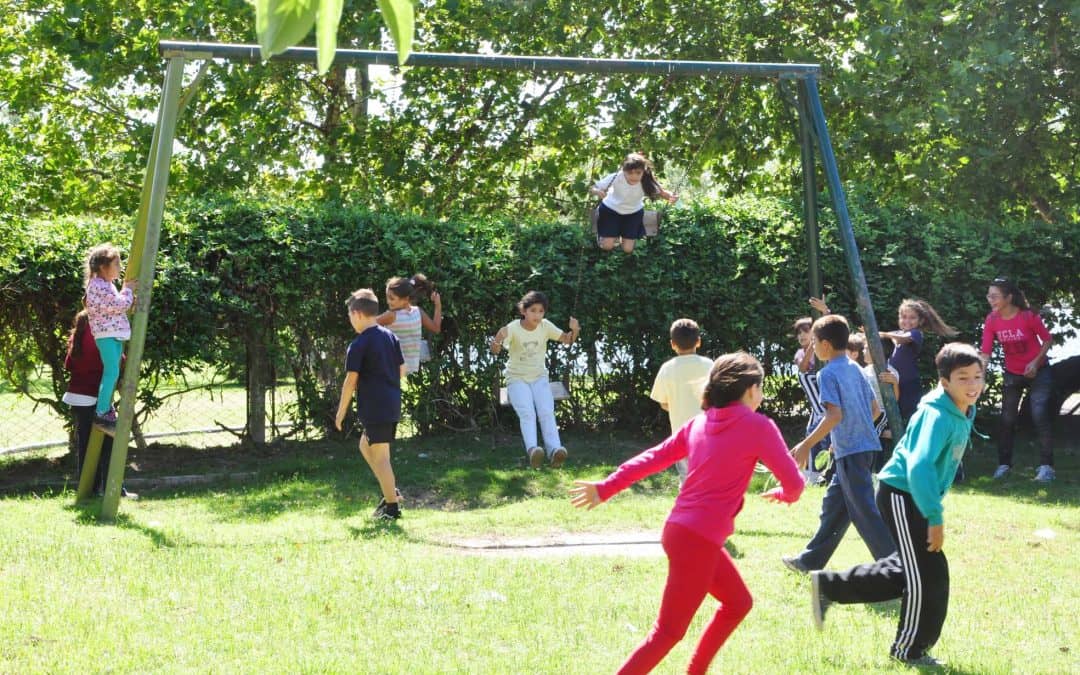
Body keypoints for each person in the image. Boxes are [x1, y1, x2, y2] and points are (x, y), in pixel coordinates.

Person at [570, 352, 805, 675]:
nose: (762, 396)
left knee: (738, 603)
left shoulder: (699, 422)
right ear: (750, 389)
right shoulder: (759, 426)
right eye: (761, 389)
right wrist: (785, 495)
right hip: (698, 540)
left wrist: (606, 487)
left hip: (681, 532)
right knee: (667, 632)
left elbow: (653, 457)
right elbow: (794, 483)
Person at [809, 343, 985, 668]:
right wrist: (934, 516)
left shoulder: (960, 407)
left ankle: (829, 586)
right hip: (903, 496)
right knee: (929, 576)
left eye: (978, 376)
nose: (973, 385)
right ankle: (908, 651)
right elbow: (918, 466)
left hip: (912, 496)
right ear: (945, 382)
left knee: (907, 570)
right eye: (963, 378)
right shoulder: (936, 414)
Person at [783, 314, 895, 573]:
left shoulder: (827, 373)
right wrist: (841, 437)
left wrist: (806, 445)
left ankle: (896, 566)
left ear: (824, 345)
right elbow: (875, 409)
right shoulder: (854, 367)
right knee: (835, 507)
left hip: (853, 452)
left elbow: (834, 415)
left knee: (865, 513)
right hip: (863, 448)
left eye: (814, 342)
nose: (812, 347)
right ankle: (809, 561)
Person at [334, 289, 406, 520]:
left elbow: (350, 381)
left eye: (349, 315)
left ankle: (392, 509)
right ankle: (390, 491)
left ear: (357, 314)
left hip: (376, 407)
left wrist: (340, 411)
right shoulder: (389, 336)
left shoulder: (359, 343)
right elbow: (401, 370)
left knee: (381, 457)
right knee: (365, 446)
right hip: (391, 404)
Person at [491, 291, 580, 469]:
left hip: (539, 377)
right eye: (533, 310)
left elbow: (566, 340)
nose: (537, 315)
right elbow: (495, 351)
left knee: (546, 411)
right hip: (516, 378)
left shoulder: (545, 326)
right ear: (523, 311)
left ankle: (555, 451)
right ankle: (533, 451)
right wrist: (497, 341)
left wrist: (575, 329)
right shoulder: (514, 328)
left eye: (541, 311)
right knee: (527, 413)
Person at [979, 277, 1056, 482]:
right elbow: (985, 353)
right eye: (989, 296)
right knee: (1007, 419)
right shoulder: (992, 320)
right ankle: (1004, 465)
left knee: (1039, 414)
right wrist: (979, 377)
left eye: (994, 296)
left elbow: (1047, 340)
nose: (990, 299)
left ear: (1008, 297)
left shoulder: (1028, 316)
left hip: (1039, 371)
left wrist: (1035, 362)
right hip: (1012, 373)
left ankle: (1047, 467)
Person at [62, 310, 136, 498]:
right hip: (96, 397)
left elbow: (68, 364)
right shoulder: (98, 331)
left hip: (78, 397)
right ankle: (104, 489)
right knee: (107, 444)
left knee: (88, 445)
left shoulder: (79, 334)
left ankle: (93, 489)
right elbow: (108, 362)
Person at [650, 318, 713, 487]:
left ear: (672, 344)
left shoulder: (668, 368)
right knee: (709, 476)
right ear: (698, 342)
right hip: (709, 433)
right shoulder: (709, 365)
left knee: (687, 479)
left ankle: (689, 509)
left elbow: (663, 402)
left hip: (681, 435)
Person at [83, 244, 136, 435]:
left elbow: (115, 306)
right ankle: (101, 411)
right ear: (104, 267)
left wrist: (126, 294)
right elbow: (119, 305)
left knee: (113, 371)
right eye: (116, 263)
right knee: (111, 372)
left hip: (112, 333)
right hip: (106, 335)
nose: (119, 267)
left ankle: (106, 408)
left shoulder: (106, 285)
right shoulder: (98, 286)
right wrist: (128, 290)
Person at [879, 299, 958, 420]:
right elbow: (888, 335)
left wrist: (882, 334)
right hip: (896, 383)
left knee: (908, 417)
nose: (907, 321)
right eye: (904, 317)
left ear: (920, 321)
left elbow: (902, 338)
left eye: (912, 318)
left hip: (909, 385)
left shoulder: (916, 333)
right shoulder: (897, 333)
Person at [589, 152, 678, 254]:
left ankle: (616, 234)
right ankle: (607, 235)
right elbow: (592, 188)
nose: (634, 176)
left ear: (643, 172)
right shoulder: (617, 177)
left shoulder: (646, 181)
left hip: (633, 213)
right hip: (611, 210)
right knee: (607, 246)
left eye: (638, 173)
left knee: (628, 249)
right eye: (630, 173)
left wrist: (672, 196)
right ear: (624, 171)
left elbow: (663, 193)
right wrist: (597, 191)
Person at [377, 274, 442, 374]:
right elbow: (436, 328)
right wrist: (438, 304)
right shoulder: (418, 312)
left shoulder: (391, 315)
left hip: (390, 368)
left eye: (392, 298)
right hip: (408, 367)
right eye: (387, 297)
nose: (388, 301)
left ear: (406, 299)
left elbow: (366, 325)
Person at [793, 315, 829, 483]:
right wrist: (812, 346)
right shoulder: (801, 353)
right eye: (799, 333)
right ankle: (811, 477)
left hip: (827, 407)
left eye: (806, 332)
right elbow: (803, 367)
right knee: (811, 439)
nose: (801, 336)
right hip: (816, 409)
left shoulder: (825, 350)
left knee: (824, 442)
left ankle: (826, 475)